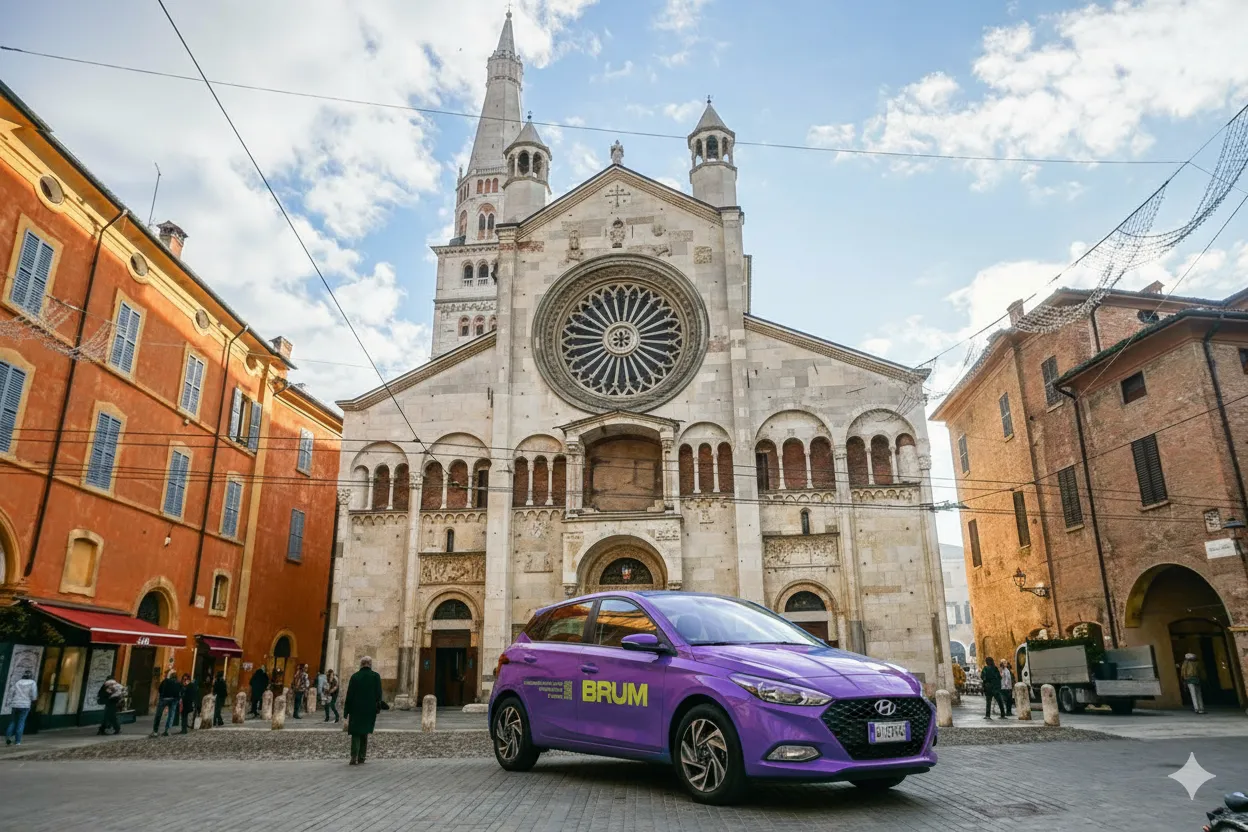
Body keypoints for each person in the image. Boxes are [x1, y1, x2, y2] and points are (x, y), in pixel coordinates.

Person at [343, 656, 383, 765]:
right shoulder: (375, 676)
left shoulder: (355, 677)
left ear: (361, 664)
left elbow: (349, 695)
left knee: (356, 732)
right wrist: (378, 708)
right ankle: (362, 756)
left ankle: (354, 756)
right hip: (369, 709)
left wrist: (346, 711)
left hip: (356, 708)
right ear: (370, 664)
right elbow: (379, 694)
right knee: (364, 732)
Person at [4, 669, 37, 746]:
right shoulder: (32, 683)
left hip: (15, 704)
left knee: (12, 721)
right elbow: (34, 696)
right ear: (30, 676)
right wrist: (32, 700)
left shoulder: (17, 682)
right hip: (25, 705)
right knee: (21, 722)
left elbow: (11, 693)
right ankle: (17, 741)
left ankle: (8, 738)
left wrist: (10, 702)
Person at [151, 670, 181, 737]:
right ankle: (167, 731)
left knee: (158, 715)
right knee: (171, 715)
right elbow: (179, 691)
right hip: (174, 700)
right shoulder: (178, 682)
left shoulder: (165, 681)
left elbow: (160, 689)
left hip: (164, 699)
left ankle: (155, 731)